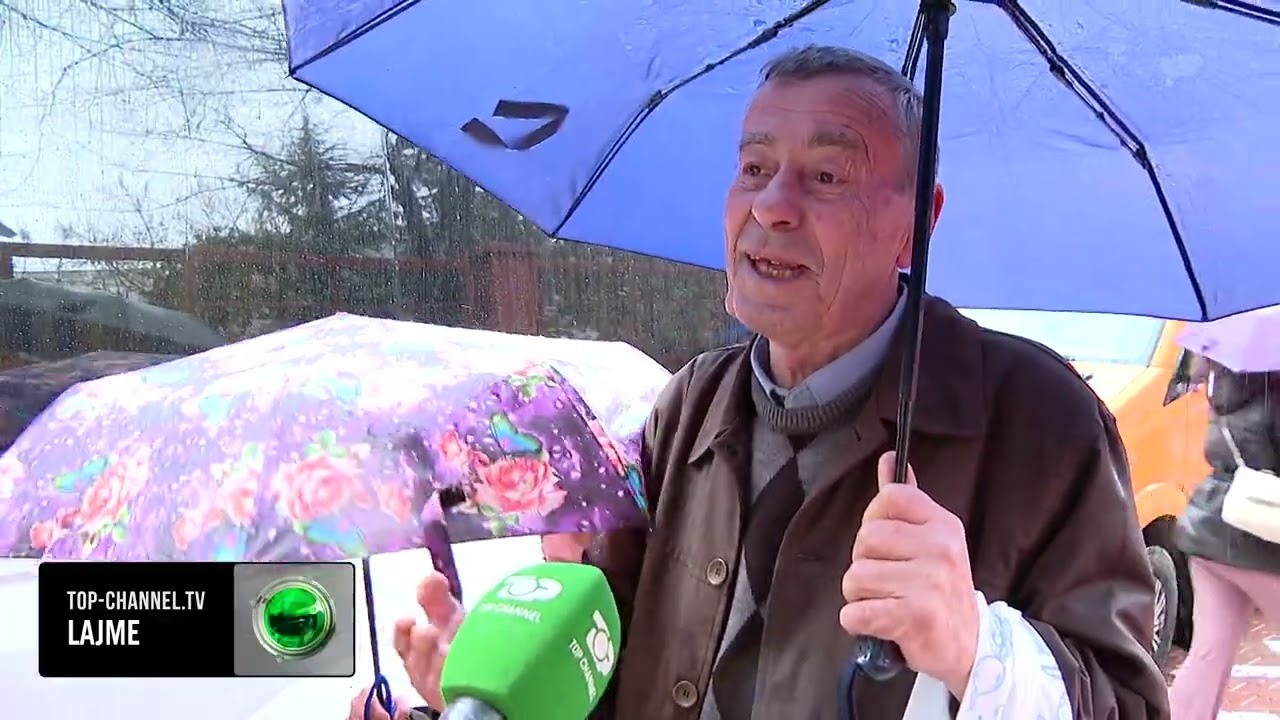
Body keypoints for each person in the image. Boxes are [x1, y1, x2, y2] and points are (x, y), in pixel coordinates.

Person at [350, 45, 1169, 719]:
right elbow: (605, 669)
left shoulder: (1040, 425)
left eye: (827, 177)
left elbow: (1128, 704)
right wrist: (495, 697)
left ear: (917, 223)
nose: (772, 206)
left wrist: (978, 651)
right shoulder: (688, 409)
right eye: (753, 167)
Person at [1169, 360, 1280, 719]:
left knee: (1207, 655)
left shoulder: (1226, 383)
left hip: (1212, 525)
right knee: (1209, 653)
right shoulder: (1273, 395)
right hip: (1262, 535)